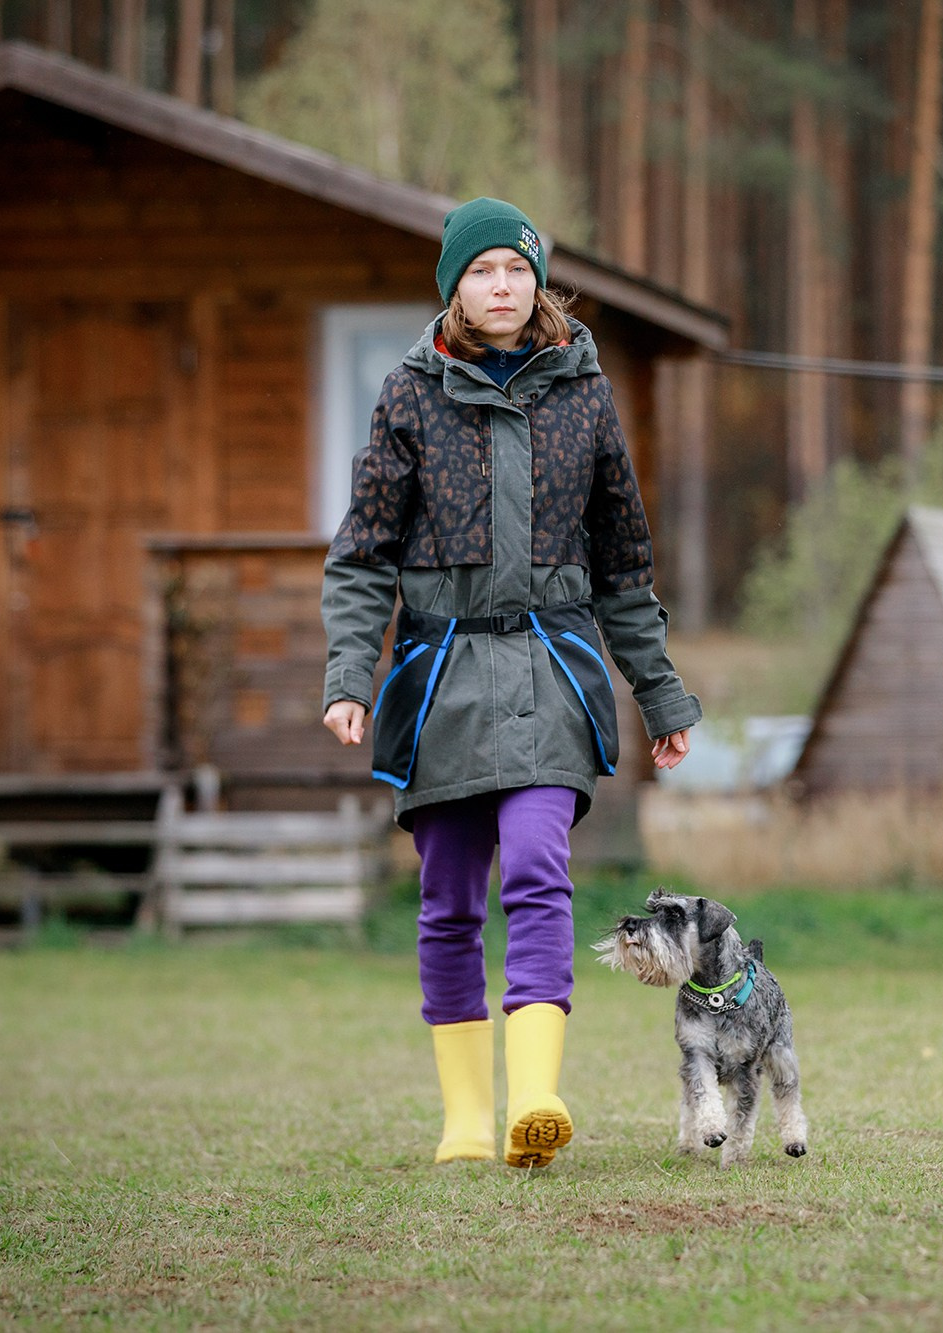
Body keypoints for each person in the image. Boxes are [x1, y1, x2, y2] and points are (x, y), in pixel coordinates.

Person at [320, 198, 700, 1168]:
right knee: (448, 898)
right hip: (438, 674)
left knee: (536, 868)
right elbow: (362, 556)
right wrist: (347, 675)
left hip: (549, 669)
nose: (501, 287)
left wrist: (657, 694)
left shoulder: (584, 393)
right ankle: (462, 1119)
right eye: (482, 270)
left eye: (516, 271)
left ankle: (534, 1095)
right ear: (454, 284)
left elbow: (623, 563)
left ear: (538, 284)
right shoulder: (408, 395)